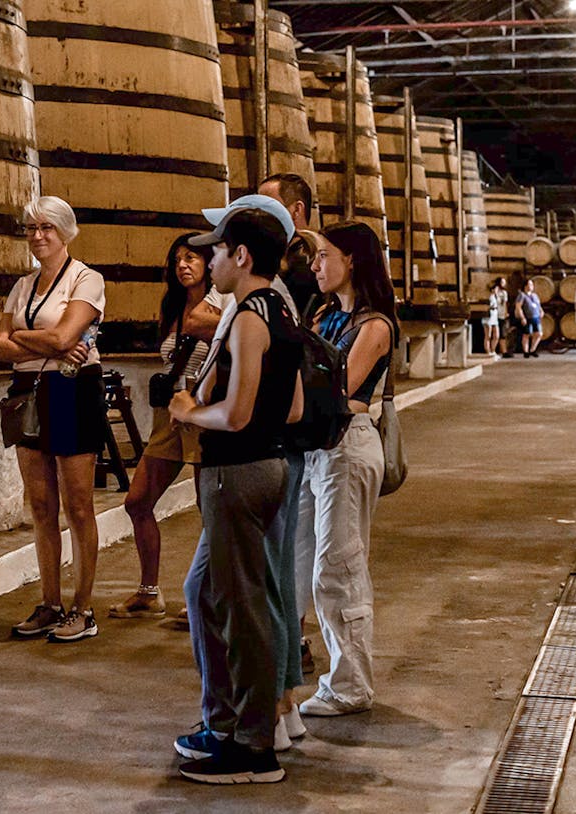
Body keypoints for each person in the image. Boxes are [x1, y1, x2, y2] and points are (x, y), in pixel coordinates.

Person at [168, 207, 303, 784]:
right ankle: (224, 724)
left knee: (243, 606)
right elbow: (293, 407)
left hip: (237, 472)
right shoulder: (283, 311)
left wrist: (191, 410)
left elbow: (239, 412)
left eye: (218, 252)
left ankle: (252, 747)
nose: (211, 261)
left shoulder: (250, 315)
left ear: (242, 256)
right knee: (206, 589)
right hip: (268, 465)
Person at [294, 220, 399, 718]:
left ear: (352, 260)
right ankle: (295, 669)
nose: (315, 265)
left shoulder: (374, 326)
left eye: (324, 255)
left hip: (347, 447)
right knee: (298, 563)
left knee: (337, 567)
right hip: (314, 448)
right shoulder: (321, 316)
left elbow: (338, 393)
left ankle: (351, 686)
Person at [0, 196, 107, 643]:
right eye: (31, 227)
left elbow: (64, 333)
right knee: (40, 506)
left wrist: (27, 336)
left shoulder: (86, 279)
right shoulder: (21, 287)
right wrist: (50, 343)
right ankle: (49, 601)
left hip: (73, 389)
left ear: (65, 231)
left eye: (47, 228)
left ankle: (83, 608)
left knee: (78, 505)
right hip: (28, 393)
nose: (38, 236)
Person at [109, 234, 221, 619]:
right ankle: (149, 590)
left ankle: (211, 597)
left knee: (213, 510)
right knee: (137, 500)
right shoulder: (173, 306)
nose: (183, 265)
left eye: (192, 258)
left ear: (209, 262)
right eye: (177, 260)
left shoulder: (222, 303)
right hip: (170, 414)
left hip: (207, 412)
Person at [261, 174, 323, 676]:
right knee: (289, 546)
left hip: (288, 433)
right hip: (294, 430)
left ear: (295, 212)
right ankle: (287, 661)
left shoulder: (300, 279)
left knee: (292, 547)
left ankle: (286, 661)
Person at [259, 173, 322, 321]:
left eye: (268, 207)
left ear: (296, 210)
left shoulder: (307, 260)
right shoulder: (277, 254)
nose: (259, 214)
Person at [515, 278, 543, 358]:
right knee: (526, 334)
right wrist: (522, 317)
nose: (531, 286)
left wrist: (541, 311)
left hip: (536, 316)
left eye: (532, 284)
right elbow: (518, 307)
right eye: (530, 284)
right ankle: (526, 351)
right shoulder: (522, 295)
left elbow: (538, 305)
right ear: (525, 286)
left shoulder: (535, 295)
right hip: (527, 317)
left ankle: (532, 349)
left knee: (539, 334)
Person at [488, 278, 510, 358]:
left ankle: (503, 350)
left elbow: (505, 304)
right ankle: (494, 350)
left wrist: (506, 312)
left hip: (501, 314)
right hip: (494, 314)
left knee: (502, 333)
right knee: (494, 334)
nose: (504, 284)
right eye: (502, 282)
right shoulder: (493, 293)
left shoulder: (504, 293)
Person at [484, 278, 504, 359]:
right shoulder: (489, 297)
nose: (497, 290)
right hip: (488, 316)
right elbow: (487, 306)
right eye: (496, 288)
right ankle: (488, 352)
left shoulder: (496, 297)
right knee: (488, 336)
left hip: (495, 316)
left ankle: (493, 350)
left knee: (496, 335)